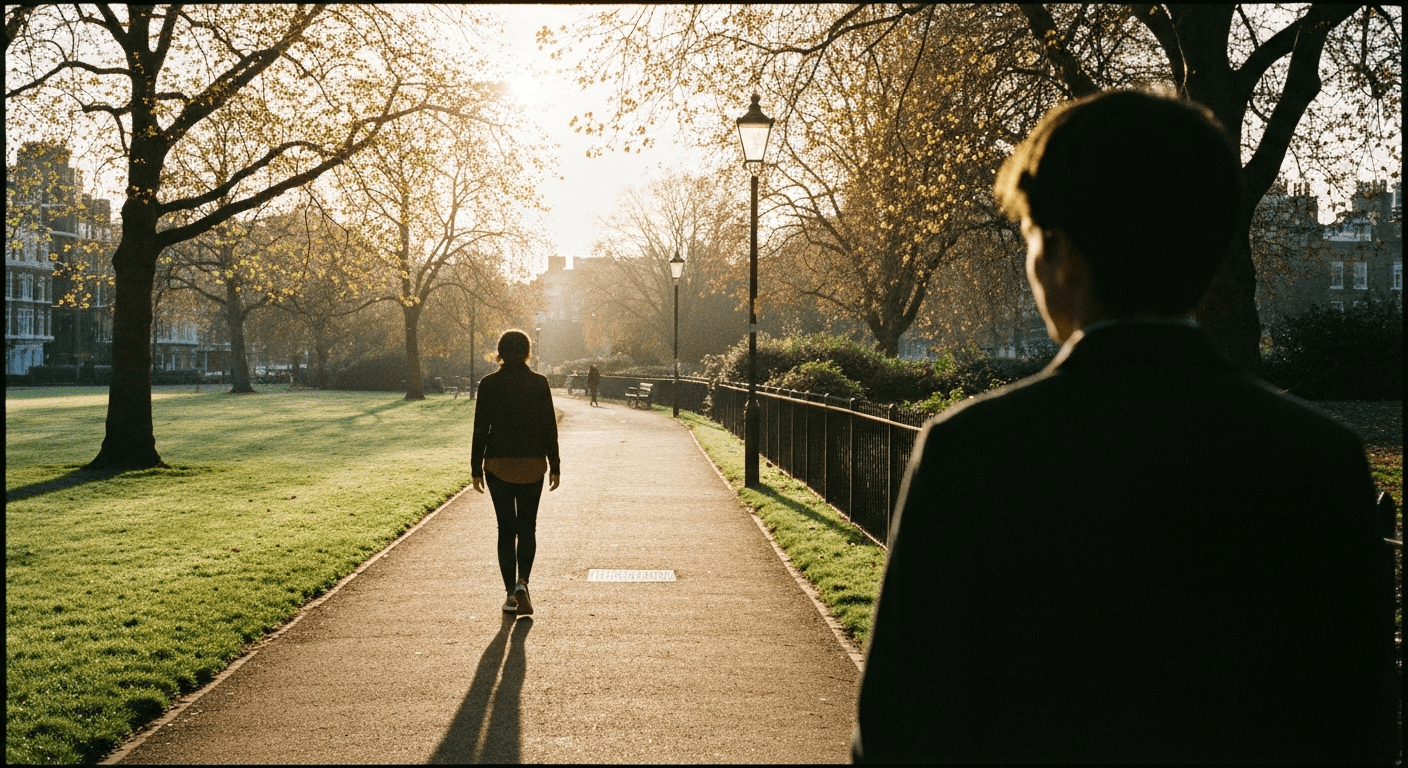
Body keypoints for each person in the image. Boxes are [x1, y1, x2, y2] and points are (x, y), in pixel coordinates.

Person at [852, 90, 1396, 764]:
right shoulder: (1322, 460)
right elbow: (1357, 726)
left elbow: (903, 728)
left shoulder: (974, 451)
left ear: (1062, 254)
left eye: (1030, 238)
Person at [471, 330, 561, 617]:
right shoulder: (539, 383)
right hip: (532, 462)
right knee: (528, 527)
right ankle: (524, 582)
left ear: (500, 352)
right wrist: (555, 464)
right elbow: (549, 427)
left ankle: (510, 594)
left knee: (505, 529)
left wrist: (475, 468)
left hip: (498, 463)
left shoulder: (488, 384)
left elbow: (480, 429)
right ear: (527, 352)